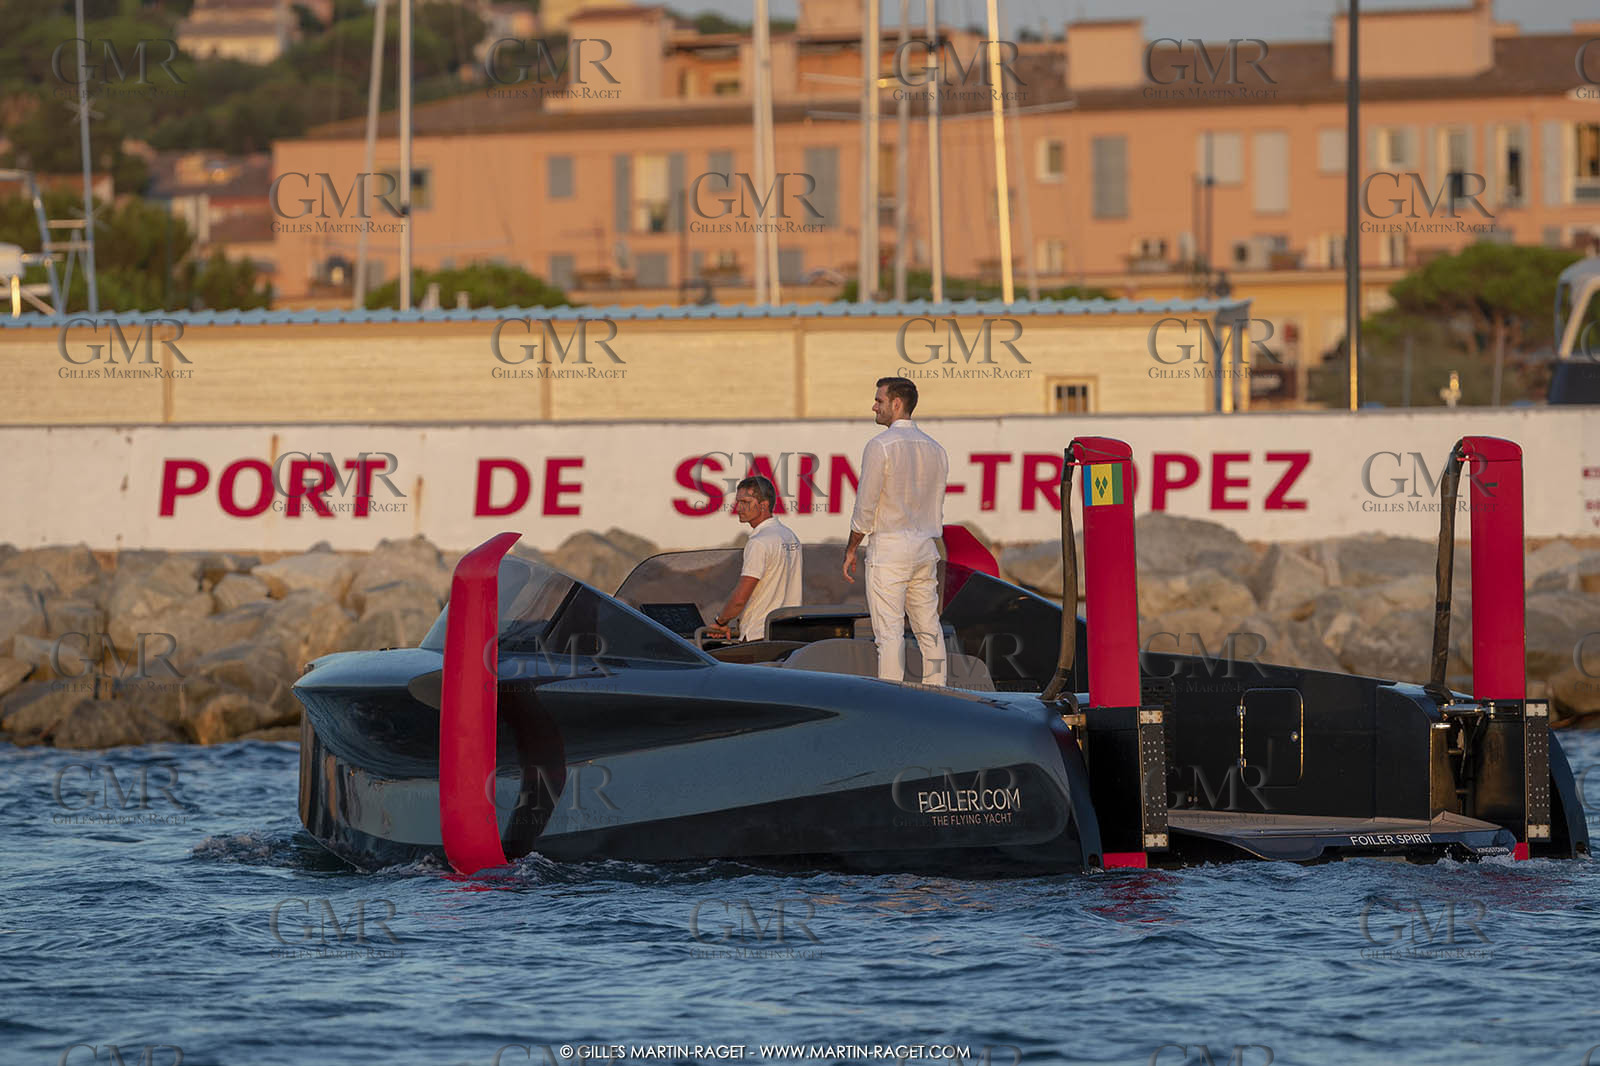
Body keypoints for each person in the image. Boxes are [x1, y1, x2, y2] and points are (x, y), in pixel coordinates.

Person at [842, 377, 949, 685]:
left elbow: (865, 506)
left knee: (888, 635)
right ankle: (939, 695)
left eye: (879, 401)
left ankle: (891, 701)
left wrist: (851, 548)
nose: (874, 406)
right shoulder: (936, 449)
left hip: (890, 549)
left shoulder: (880, 446)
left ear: (897, 404)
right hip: (925, 547)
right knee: (930, 630)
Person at [706, 475, 803, 642]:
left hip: (759, 636)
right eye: (738, 502)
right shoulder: (790, 536)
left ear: (764, 505)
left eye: (745, 502)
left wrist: (720, 621)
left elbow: (740, 599)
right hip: (789, 634)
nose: (738, 507)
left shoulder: (759, 542)